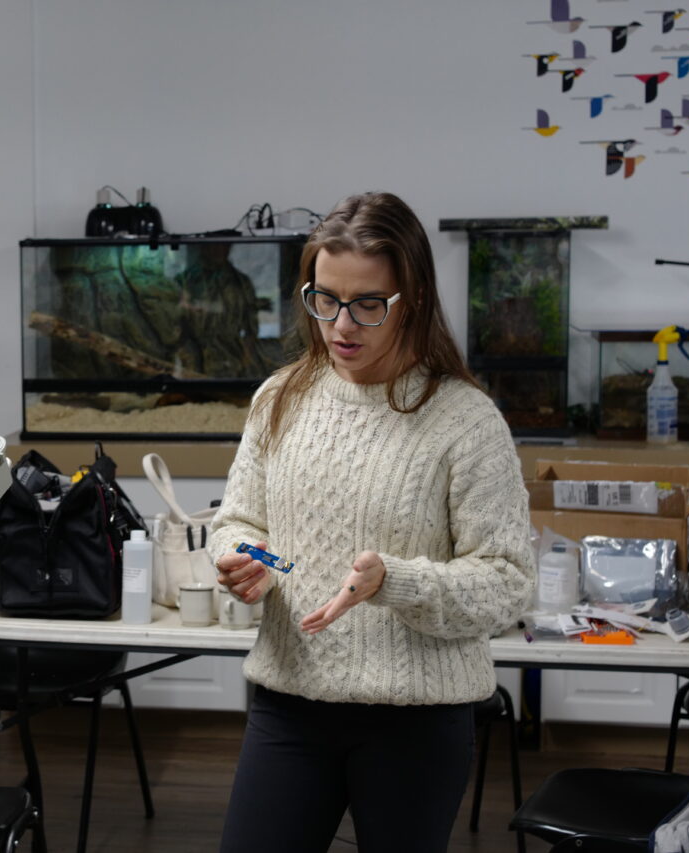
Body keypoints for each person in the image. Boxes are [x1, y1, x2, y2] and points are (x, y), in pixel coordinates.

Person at [209, 191, 535, 852]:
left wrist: (395, 580)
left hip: (415, 720)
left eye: (366, 304)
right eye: (323, 298)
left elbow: (507, 583)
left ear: (410, 299)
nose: (341, 325)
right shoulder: (280, 398)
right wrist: (245, 560)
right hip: (288, 701)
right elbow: (236, 519)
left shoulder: (466, 421)